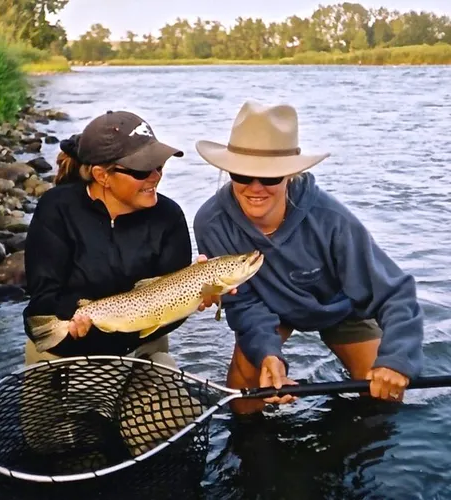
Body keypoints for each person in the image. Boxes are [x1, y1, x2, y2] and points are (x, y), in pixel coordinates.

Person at [194, 100, 424, 414]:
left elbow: (395, 292)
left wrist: (397, 360)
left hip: (341, 307)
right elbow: (243, 303)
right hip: (269, 310)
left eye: (271, 178)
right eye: (242, 175)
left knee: (383, 394)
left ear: (290, 175)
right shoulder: (211, 221)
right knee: (243, 402)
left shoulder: (332, 219)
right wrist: (268, 355)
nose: (255, 188)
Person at [23, 110, 197, 367]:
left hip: (144, 351)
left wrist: (197, 292)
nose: (156, 176)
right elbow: (43, 297)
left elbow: (172, 308)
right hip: (62, 352)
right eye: (142, 171)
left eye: (159, 165)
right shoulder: (56, 209)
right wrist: (78, 318)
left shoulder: (169, 217)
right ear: (102, 175)